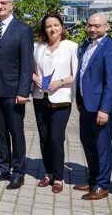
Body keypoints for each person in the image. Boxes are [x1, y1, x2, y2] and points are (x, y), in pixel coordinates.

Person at [0, 0, 34, 189]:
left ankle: (19, 171)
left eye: (3, 3)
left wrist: (23, 91)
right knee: (0, 132)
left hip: (14, 92)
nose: (0, 6)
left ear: (12, 5)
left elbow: (26, 63)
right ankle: (3, 167)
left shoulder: (23, 30)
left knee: (16, 132)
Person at [74, 13, 112, 200]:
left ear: (106, 27)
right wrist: (79, 101)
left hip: (101, 108)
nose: (93, 29)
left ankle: (102, 186)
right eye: (90, 25)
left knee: (102, 147)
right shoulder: (86, 45)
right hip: (86, 105)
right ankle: (93, 179)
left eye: (97, 26)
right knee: (88, 144)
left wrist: (104, 109)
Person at [32, 12, 78, 193]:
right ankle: (48, 173)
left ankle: (59, 177)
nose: (52, 29)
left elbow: (76, 74)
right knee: (44, 138)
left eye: (56, 25)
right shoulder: (38, 46)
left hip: (60, 99)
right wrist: (34, 78)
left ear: (62, 27)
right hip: (40, 97)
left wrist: (59, 82)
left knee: (55, 138)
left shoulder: (71, 47)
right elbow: (29, 68)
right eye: (48, 26)